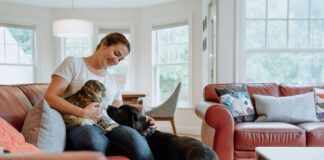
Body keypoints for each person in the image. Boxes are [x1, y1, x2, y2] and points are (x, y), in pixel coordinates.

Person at [44, 32, 155, 160]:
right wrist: (82, 112)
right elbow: (50, 96)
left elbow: (118, 112)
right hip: (79, 124)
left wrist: (142, 120)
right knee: (94, 141)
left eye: (120, 59)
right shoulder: (74, 63)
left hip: (108, 125)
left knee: (135, 140)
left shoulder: (113, 80)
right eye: (116, 53)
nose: (116, 61)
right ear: (104, 43)